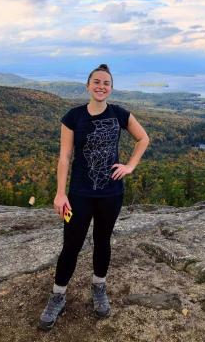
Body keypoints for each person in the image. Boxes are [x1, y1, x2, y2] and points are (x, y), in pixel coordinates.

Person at [38, 63, 149, 331]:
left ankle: (99, 287)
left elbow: (143, 139)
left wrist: (130, 166)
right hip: (78, 194)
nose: (101, 86)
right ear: (88, 86)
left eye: (106, 83)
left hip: (111, 193)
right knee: (71, 245)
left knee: (103, 241)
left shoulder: (120, 114)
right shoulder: (73, 116)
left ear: (111, 88)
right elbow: (65, 156)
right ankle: (57, 295)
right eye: (96, 82)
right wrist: (60, 193)